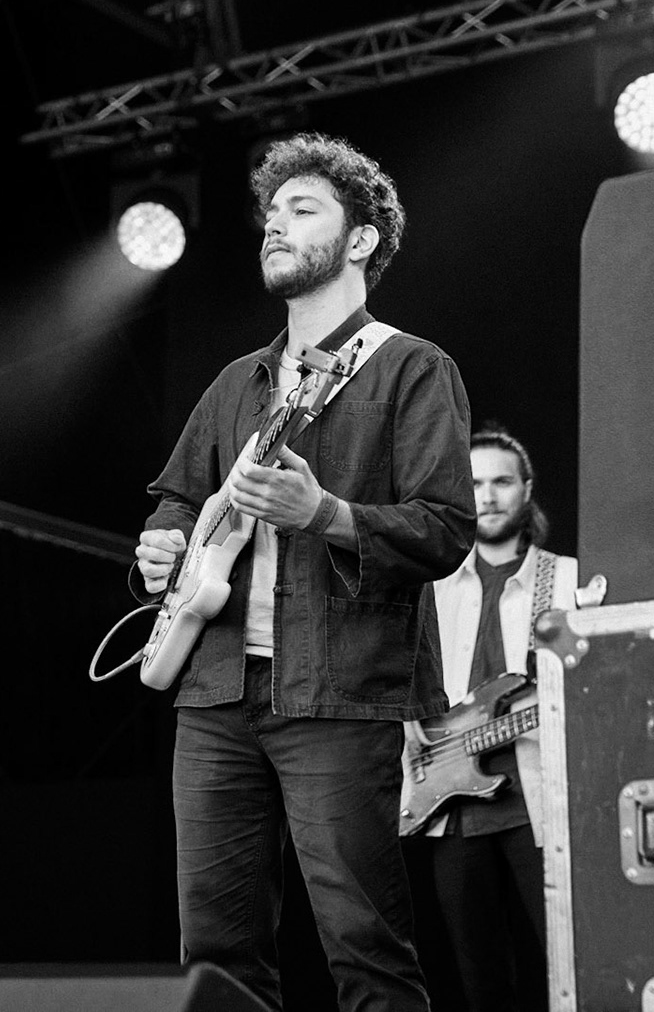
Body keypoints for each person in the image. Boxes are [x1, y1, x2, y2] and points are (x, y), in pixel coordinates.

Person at [135, 133, 473, 1012]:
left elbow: (445, 531)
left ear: (360, 239)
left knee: (362, 943)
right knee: (212, 950)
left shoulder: (411, 367)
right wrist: (161, 548)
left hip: (337, 693)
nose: (273, 228)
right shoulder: (235, 383)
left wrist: (323, 514)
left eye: (302, 210)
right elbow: (175, 501)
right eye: (270, 215)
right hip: (212, 696)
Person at [408, 427, 577, 1012]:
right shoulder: (429, 590)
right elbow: (407, 687)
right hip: (451, 810)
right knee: (481, 988)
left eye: (502, 481)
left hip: (542, 805)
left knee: (569, 970)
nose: (488, 495)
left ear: (526, 489)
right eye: (474, 483)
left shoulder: (569, 580)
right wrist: (409, 733)